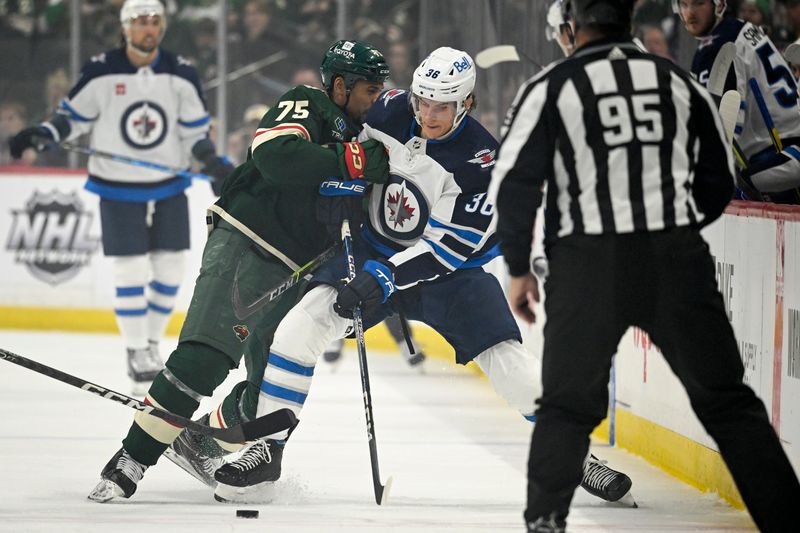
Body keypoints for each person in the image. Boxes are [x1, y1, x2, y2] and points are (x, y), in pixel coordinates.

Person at [205, 46, 633, 506]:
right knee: (296, 329)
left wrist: (384, 277)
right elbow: (347, 151)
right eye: (423, 101)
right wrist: (338, 187)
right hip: (373, 253)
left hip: (450, 276)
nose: (428, 114)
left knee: (509, 365)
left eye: (442, 106)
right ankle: (267, 451)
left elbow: (446, 250)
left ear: (465, 103)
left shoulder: (481, 163)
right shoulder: (389, 109)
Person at [492, 1, 800, 531]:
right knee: (727, 402)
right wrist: (675, 229)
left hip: (587, 265)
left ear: (571, 28)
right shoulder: (679, 82)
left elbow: (513, 183)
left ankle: (545, 522)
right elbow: (719, 178)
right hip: (674, 260)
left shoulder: (552, 85)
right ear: (627, 20)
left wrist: (518, 267)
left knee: (565, 408)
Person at [84, 38, 392, 503]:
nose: (377, 98)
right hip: (249, 238)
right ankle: (131, 458)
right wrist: (354, 163)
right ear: (341, 85)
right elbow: (276, 158)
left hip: (302, 264)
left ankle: (200, 439)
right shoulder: (307, 101)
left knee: (273, 384)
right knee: (206, 357)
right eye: (370, 89)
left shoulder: (372, 135)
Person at [7, 0, 233, 393]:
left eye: (155, 22)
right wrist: (45, 133)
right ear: (126, 27)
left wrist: (210, 161)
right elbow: (72, 117)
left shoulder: (180, 73)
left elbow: (195, 131)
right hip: (117, 185)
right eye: (141, 22)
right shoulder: (101, 70)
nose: (149, 29)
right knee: (130, 270)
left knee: (171, 269)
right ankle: (134, 349)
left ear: (162, 27)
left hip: (168, 184)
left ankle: (148, 344)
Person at [674, 0, 800, 204]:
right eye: (685, 4)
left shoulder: (717, 45)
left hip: (780, 155)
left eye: (698, 3)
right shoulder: (741, 29)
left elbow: (725, 126)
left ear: (719, 5)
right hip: (785, 150)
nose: (690, 13)